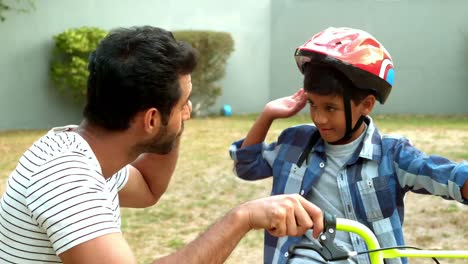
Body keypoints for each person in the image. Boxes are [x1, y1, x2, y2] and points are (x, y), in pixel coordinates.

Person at [0, 26, 325, 264]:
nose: (189, 111)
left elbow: (149, 188)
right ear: (151, 119)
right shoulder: (67, 179)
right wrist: (243, 217)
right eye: (184, 103)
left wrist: (175, 122)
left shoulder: (85, 152)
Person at [229, 26, 468, 264]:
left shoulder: (391, 154)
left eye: (330, 108)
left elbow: (447, 176)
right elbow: (247, 166)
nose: (319, 118)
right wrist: (268, 115)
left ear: (366, 104)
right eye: (312, 104)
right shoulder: (296, 143)